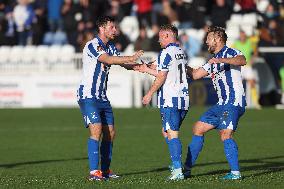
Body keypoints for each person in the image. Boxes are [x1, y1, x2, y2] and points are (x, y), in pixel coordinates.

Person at [77, 16, 143, 181]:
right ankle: (94, 172)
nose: (115, 30)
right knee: (96, 129)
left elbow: (123, 64)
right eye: (112, 27)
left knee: (110, 133)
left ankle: (105, 171)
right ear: (102, 28)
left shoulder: (111, 46)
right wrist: (130, 57)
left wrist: (146, 67)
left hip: (102, 97)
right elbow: (108, 59)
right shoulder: (92, 45)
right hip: (88, 95)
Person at [184, 26, 246, 180]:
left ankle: (235, 173)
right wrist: (179, 65)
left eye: (208, 38)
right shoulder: (212, 60)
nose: (206, 41)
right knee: (198, 128)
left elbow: (242, 60)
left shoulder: (231, 52)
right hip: (221, 104)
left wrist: (221, 60)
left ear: (217, 39)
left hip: (233, 101)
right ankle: (186, 169)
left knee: (225, 134)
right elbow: (196, 74)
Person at [134, 24, 189, 180]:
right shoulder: (180, 51)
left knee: (172, 133)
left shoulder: (166, 52)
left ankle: (178, 170)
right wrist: (146, 69)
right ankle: (176, 162)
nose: (158, 39)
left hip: (170, 99)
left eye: (160, 36)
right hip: (183, 99)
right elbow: (163, 71)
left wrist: (149, 94)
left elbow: (162, 76)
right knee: (166, 131)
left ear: (167, 35)